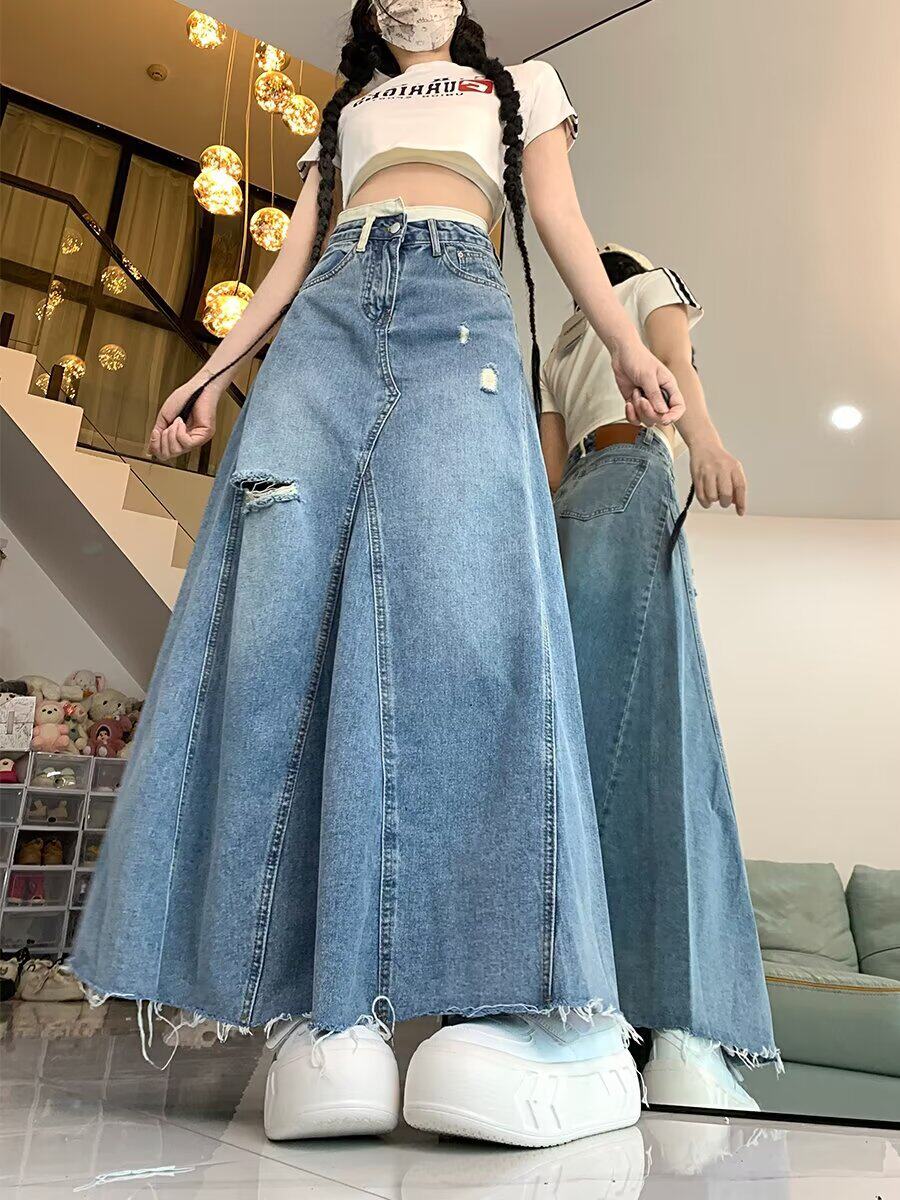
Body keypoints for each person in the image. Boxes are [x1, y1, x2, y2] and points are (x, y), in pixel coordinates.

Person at [71, 3, 685, 1148]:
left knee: (469, 617)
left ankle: (528, 989)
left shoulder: (518, 87)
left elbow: (562, 223)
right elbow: (289, 262)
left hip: (460, 315)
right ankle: (318, 1007)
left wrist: (626, 341)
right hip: (327, 323)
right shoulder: (344, 110)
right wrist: (212, 373)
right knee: (279, 620)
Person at [540, 244, 779, 1111]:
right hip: (603, 487)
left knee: (596, 730)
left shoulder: (597, 316)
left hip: (603, 488)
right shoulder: (601, 314)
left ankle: (614, 1014)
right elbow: (669, 375)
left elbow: (553, 471)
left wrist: (703, 443)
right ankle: (665, 1027)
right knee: (637, 728)